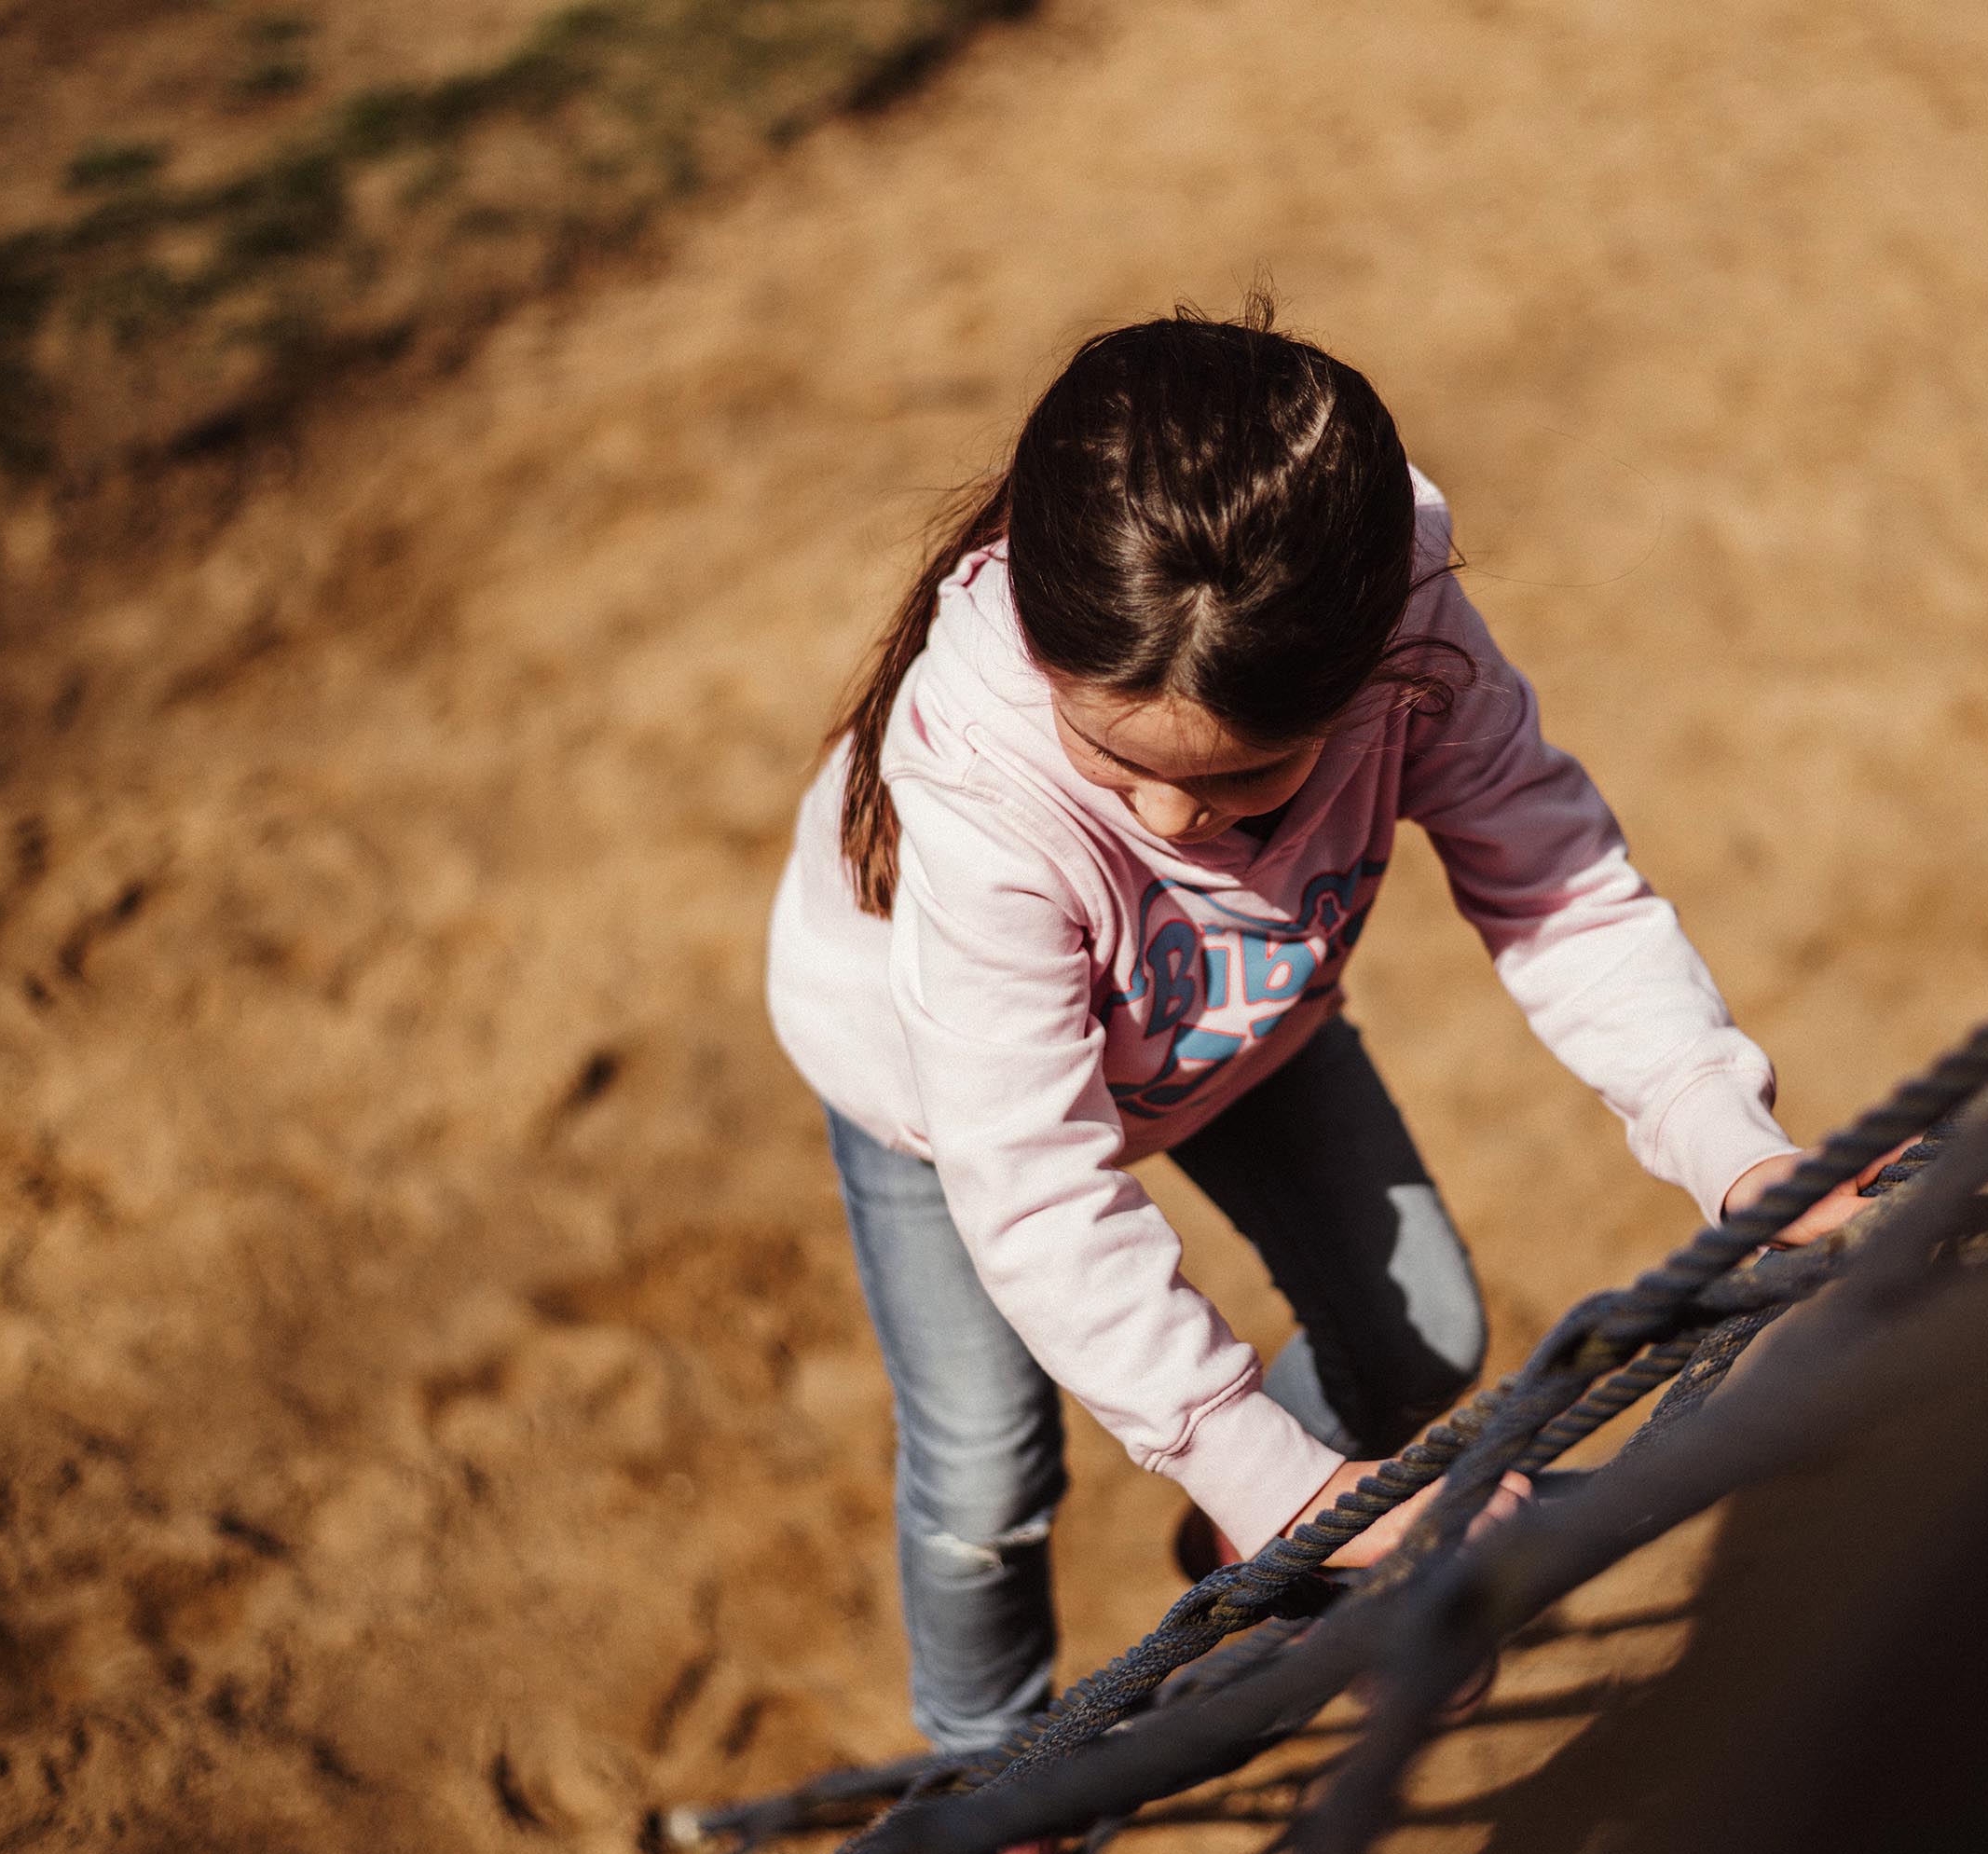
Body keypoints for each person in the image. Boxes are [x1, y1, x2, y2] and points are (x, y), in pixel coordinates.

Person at [765, 301, 1875, 1773]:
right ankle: (990, 1765)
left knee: (1422, 1336)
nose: (1173, 821)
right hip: (945, 1105)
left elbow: (1556, 882)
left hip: (1231, 1025)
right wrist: (1280, 1479)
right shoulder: (984, 788)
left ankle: (1260, 1563)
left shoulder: (1408, 628)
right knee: (987, 1479)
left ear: (1364, 678)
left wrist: (1734, 1148)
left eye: (1245, 780)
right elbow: (1035, 1188)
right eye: (1117, 761)